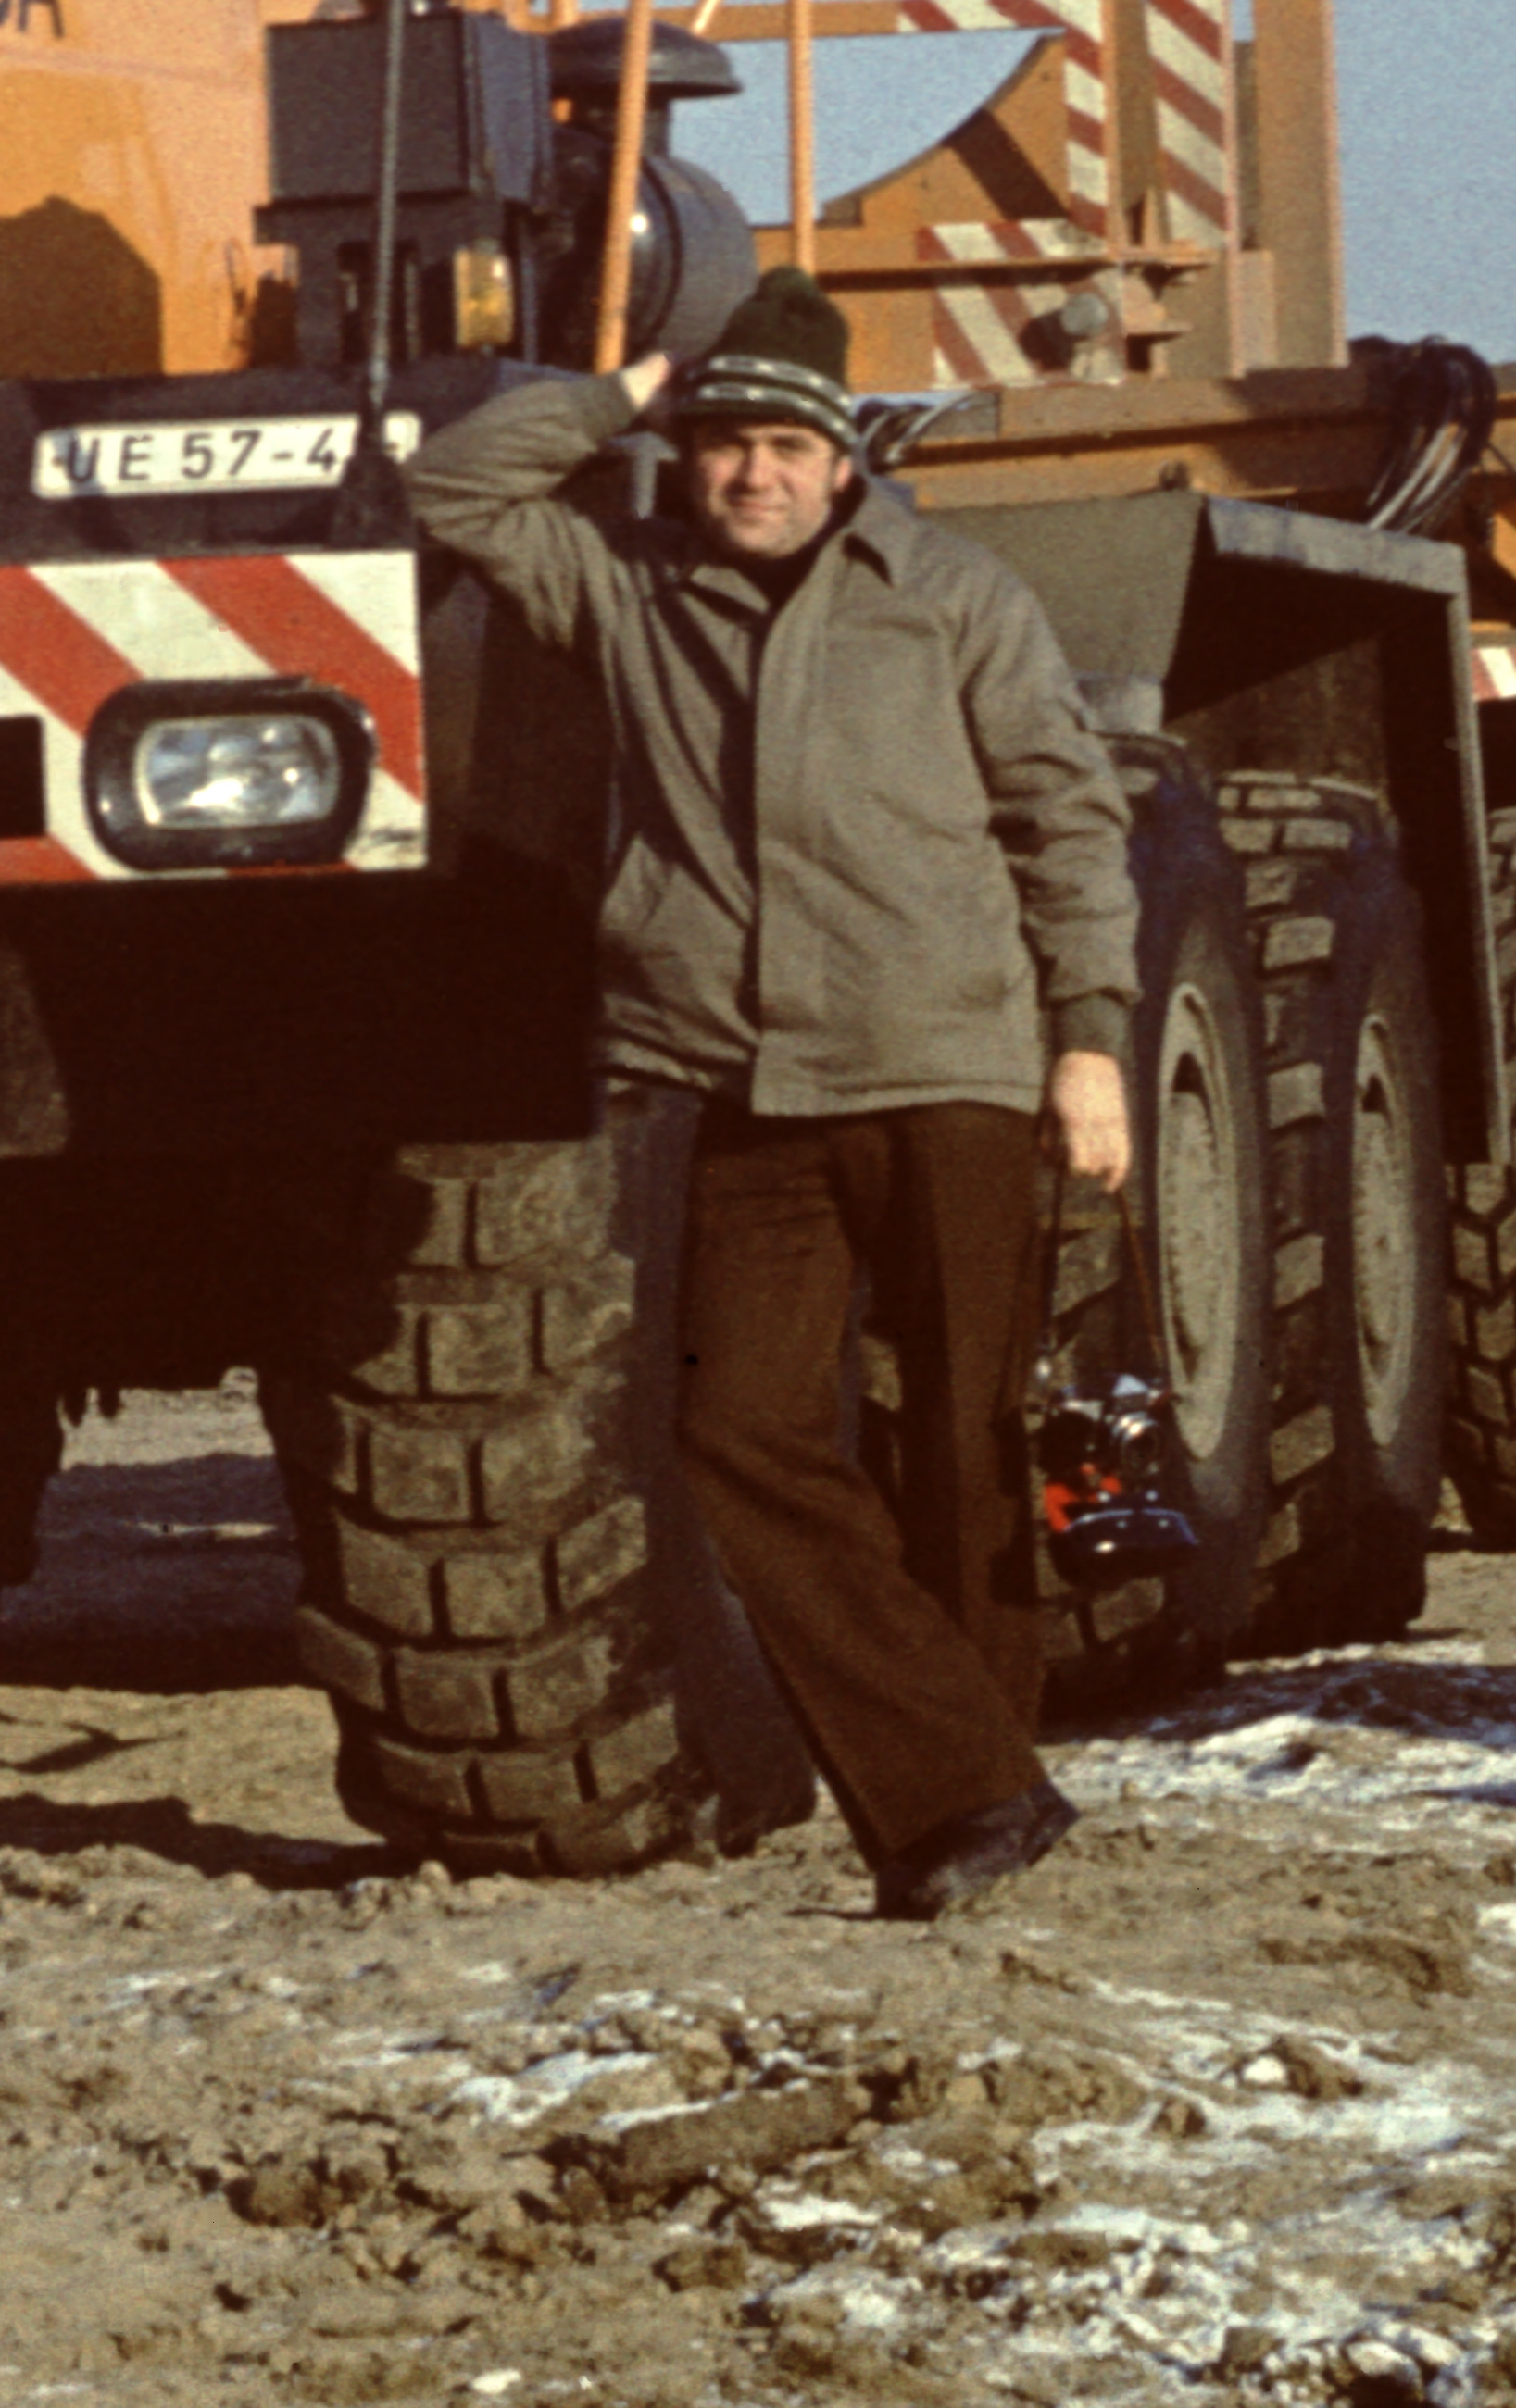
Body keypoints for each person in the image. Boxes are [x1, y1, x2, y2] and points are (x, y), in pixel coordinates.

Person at [403, 268, 1138, 1917]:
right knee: (731, 1429)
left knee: (965, 1435)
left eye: (784, 445)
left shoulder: (950, 592)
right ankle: (978, 1782)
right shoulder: (624, 586)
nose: (754, 473)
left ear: (843, 457)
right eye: (726, 440)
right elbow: (449, 485)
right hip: (733, 1083)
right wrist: (626, 388)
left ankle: (969, 1802)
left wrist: (1089, 1035)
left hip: (944, 1063)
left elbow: (1064, 817)